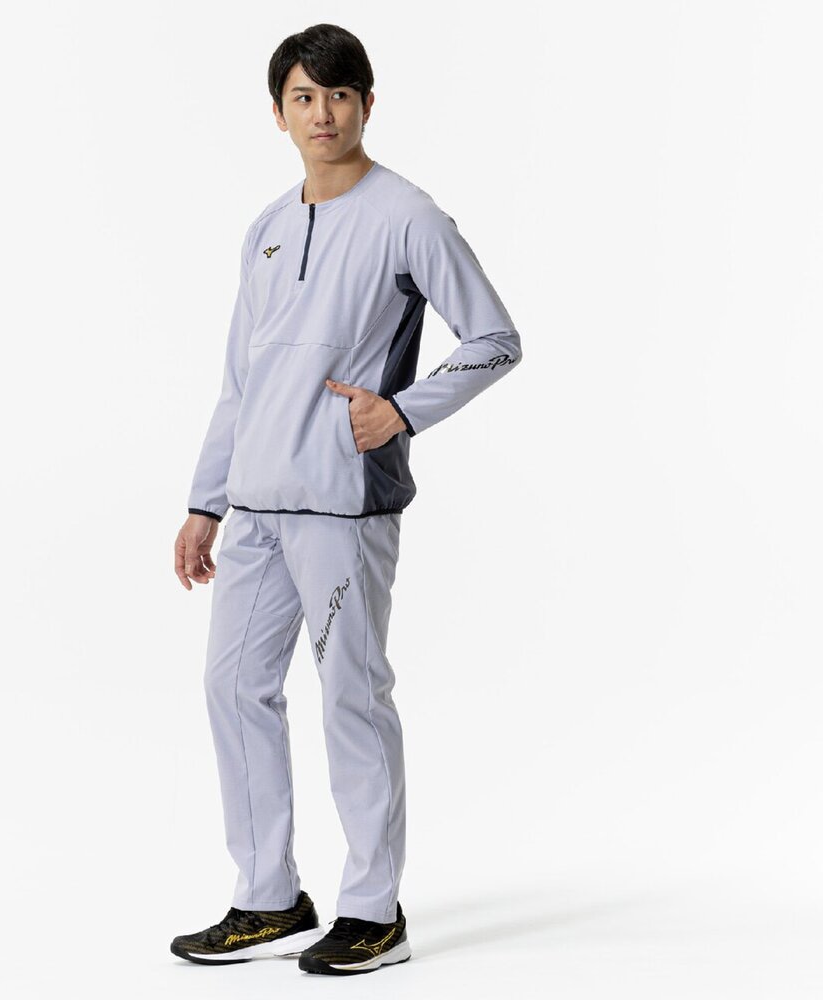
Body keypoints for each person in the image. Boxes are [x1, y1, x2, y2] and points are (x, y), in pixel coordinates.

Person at [171, 23, 523, 976]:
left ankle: (374, 912)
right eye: (303, 97)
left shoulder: (410, 217)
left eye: (338, 95)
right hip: (256, 507)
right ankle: (267, 897)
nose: (321, 113)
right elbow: (240, 379)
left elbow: (495, 339)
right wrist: (206, 502)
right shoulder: (267, 227)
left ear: (367, 103)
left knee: (350, 699)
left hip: (342, 504)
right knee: (232, 688)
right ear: (278, 113)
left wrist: (402, 411)